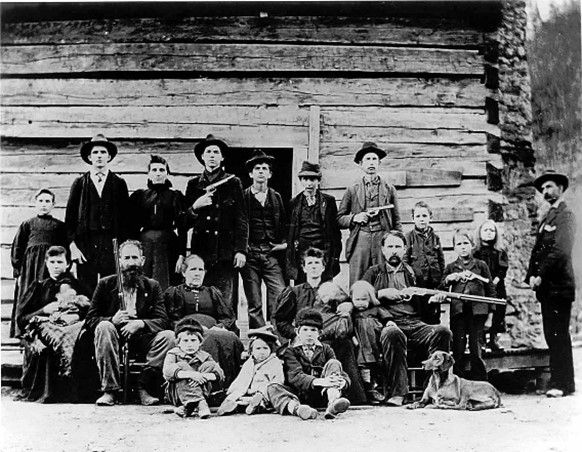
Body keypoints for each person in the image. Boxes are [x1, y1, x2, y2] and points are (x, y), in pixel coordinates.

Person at [362, 231, 452, 406]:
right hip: (388, 323)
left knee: (442, 332)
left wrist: (434, 299)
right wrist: (380, 294)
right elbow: (361, 299)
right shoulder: (373, 273)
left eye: (397, 247)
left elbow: (425, 303)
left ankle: (432, 391)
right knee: (392, 334)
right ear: (383, 250)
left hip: (416, 323)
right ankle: (398, 393)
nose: (394, 251)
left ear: (404, 249)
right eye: (390, 247)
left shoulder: (414, 273)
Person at [84, 240, 174, 406]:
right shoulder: (105, 284)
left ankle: (143, 387)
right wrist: (112, 319)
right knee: (104, 327)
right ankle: (109, 390)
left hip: (144, 339)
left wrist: (140, 323)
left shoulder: (152, 286)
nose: (131, 263)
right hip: (113, 338)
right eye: (126, 258)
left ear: (143, 260)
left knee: (169, 337)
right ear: (119, 261)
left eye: (135, 257)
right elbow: (90, 319)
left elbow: (163, 320)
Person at [274, 247, 367, 405]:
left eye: (317, 263)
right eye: (310, 263)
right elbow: (281, 321)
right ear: (304, 267)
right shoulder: (294, 292)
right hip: (302, 341)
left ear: (323, 267)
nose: (314, 266)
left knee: (346, 344)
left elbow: (346, 308)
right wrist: (295, 336)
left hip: (328, 340)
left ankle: (353, 397)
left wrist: (348, 307)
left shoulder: (333, 290)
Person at [16, 246, 91, 402]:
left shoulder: (79, 286)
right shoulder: (38, 287)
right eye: (52, 262)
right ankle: (48, 392)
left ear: (68, 264)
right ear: (46, 263)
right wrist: (44, 310)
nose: (56, 266)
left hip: (73, 331)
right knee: (45, 343)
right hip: (45, 333)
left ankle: (73, 392)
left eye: (60, 262)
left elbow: (91, 311)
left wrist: (75, 314)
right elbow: (22, 319)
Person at [184, 134, 248, 315]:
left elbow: (241, 219)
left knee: (225, 299)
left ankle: (227, 335)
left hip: (225, 252)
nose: (212, 155)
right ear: (202, 157)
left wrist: (241, 250)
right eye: (208, 152)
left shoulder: (233, 182)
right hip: (201, 252)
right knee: (202, 298)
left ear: (222, 157)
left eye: (216, 152)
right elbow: (184, 220)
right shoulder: (194, 184)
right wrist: (196, 206)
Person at [526, 170, 576, 397]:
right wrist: (530, 275)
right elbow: (538, 250)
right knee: (551, 334)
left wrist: (541, 275)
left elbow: (560, 250)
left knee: (559, 334)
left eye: (549, 187)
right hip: (547, 288)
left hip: (559, 286)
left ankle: (563, 384)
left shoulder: (566, 216)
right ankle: (560, 381)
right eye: (543, 189)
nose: (545, 191)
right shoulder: (547, 216)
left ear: (560, 188)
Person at [163, 254, 244, 387]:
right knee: (208, 337)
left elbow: (227, 316)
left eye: (200, 270)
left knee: (230, 337)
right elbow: (172, 318)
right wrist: (196, 329)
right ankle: (201, 386)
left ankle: (226, 384)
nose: (197, 274)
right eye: (193, 269)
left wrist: (220, 326)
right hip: (188, 331)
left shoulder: (212, 292)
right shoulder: (175, 292)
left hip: (214, 330)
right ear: (184, 272)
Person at [65, 134, 130, 292]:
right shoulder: (80, 184)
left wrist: (123, 249)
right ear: (89, 157)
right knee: (86, 288)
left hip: (112, 244)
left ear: (109, 156)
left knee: (112, 288)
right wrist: (73, 246)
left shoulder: (119, 183)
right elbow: (70, 219)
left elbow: (126, 219)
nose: (99, 156)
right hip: (86, 245)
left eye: (102, 152)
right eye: (95, 152)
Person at [266, 308, 351, 420]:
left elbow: (339, 370)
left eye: (313, 330)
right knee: (273, 388)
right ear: (297, 332)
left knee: (334, 363)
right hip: (299, 395)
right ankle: (298, 409)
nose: (309, 334)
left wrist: (343, 382)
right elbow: (295, 376)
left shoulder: (326, 349)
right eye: (305, 330)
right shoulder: (291, 351)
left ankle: (333, 403)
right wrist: (320, 381)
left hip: (322, 394)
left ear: (320, 333)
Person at [338, 142, 402, 286]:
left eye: (374, 159)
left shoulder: (389, 189)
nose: (371, 163)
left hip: (382, 238)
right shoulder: (352, 190)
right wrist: (355, 217)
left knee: (384, 279)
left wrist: (398, 244)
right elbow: (339, 218)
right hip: (360, 239)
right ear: (361, 164)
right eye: (368, 159)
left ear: (379, 163)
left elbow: (397, 221)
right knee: (358, 281)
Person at [11, 188, 68, 337]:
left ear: (53, 205)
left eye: (47, 201)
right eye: (41, 201)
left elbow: (64, 249)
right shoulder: (27, 224)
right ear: (35, 203)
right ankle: (23, 332)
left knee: (46, 295)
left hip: (47, 266)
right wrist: (18, 272)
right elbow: (17, 247)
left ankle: (45, 330)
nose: (44, 204)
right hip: (30, 269)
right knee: (27, 296)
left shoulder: (59, 226)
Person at [240, 149, 287, 328]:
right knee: (254, 301)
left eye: (264, 168)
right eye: (257, 168)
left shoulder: (276, 197)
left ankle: (279, 338)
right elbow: (238, 226)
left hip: (271, 253)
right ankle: (258, 339)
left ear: (270, 173)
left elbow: (283, 224)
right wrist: (243, 248)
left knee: (280, 295)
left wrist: (283, 244)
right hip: (250, 253)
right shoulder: (243, 196)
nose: (261, 171)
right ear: (251, 173)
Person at [442, 231, 496, 381]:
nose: (463, 247)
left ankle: (480, 383)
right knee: (458, 349)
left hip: (477, 314)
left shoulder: (481, 265)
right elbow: (441, 288)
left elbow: (491, 290)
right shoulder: (451, 267)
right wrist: (448, 279)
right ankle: (459, 383)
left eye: (465, 243)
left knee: (476, 348)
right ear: (454, 248)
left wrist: (490, 316)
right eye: (459, 244)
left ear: (472, 245)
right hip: (458, 314)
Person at [129, 155, 187, 291]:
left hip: (168, 244)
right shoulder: (140, 196)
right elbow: (132, 226)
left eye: (162, 170)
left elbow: (182, 226)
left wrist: (181, 255)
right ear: (149, 174)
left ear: (167, 173)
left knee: (166, 281)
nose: (158, 173)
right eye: (154, 170)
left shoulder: (174, 196)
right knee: (143, 281)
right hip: (145, 244)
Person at [286, 161, 341, 283]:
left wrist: (335, 255)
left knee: (324, 286)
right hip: (302, 251)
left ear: (318, 181)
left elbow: (335, 232)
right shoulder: (294, 203)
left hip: (323, 249)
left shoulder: (328, 201)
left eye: (313, 179)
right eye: (306, 179)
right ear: (301, 180)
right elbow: (290, 231)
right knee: (302, 285)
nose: (309, 183)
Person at [163, 317, 224, 418]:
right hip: (178, 393)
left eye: (193, 340)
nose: (190, 344)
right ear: (178, 343)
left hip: (203, 390)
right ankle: (201, 404)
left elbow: (220, 374)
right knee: (181, 366)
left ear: (200, 342)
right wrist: (192, 375)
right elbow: (167, 372)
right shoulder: (173, 354)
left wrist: (203, 377)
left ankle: (188, 407)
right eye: (185, 341)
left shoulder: (204, 355)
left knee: (210, 365)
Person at [217, 326, 284, 416]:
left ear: (271, 350)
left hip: (263, 392)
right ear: (251, 351)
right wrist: (234, 393)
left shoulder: (274, 362)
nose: (262, 352)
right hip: (248, 391)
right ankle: (232, 404)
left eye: (265, 348)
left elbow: (278, 381)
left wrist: (263, 392)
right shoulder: (249, 363)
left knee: (263, 399)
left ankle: (255, 405)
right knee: (237, 397)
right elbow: (242, 379)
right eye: (258, 348)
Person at [349, 280, 394, 403]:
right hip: (360, 344)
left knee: (375, 365)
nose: (360, 303)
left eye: (364, 299)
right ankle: (368, 390)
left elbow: (387, 318)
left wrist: (389, 322)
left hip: (374, 343)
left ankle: (374, 387)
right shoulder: (352, 313)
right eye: (357, 300)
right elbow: (349, 327)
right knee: (363, 366)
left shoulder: (376, 309)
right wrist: (353, 337)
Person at [404, 201, 445, 324]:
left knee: (433, 315)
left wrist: (442, 283)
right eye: (418, 216)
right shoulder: (409, 237)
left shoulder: (435, 238)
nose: (421, 219)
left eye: (424, 216)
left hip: (433, 284)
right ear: (413, 219)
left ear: (430, 218)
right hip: (417, 285)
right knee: (419, 315)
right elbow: (405, 261)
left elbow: (441, 261)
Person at [473, 219, 509, 351]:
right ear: (480, 233)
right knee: (481, 311)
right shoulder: (475, 252)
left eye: (492, 230)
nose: (489, 233)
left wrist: (496, 280)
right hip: (480, 286)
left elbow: (503, 269)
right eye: (486, 230)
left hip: (497, 286)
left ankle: (493, 339)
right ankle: (481, 340)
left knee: (499, 311)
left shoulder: (499, 252)